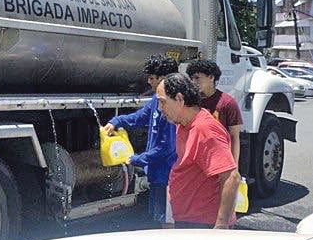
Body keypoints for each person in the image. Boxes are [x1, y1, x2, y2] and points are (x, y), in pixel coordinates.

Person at [156, 72, 241, 229]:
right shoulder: (183, 125)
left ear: (180, 100)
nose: (160, 108)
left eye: (162, 102)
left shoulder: (205, 129)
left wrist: (220, 227)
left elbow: (231, 178)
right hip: (189, 219)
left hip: (204, 224)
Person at [102, 54, 180, 224]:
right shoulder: (155, 101)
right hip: (156, 175)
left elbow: (166, 147)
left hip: (167, 176)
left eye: (152, 78)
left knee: (165, 223)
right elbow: (139, 117)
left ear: (164, 79)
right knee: (157, 218)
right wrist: (117, 121)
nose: (149, 82)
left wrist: (137, 159)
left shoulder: (172, 106)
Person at [185, 59, 243, 162]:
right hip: (196, 161)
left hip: (220, 161)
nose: (193, 82)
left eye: (197, 78)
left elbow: (234, 137)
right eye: (191, 78)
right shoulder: (190, 102)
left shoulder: (227, 103)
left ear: (211, 77)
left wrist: (234, 167)